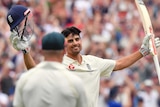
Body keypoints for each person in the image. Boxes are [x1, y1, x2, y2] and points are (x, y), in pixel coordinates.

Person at [6, 5, 160, 107]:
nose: (74, 43)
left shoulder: (92, 61)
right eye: (70, 40)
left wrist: (142, 52)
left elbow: (119, 64)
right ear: (64, 44)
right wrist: (25, 51)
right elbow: (35, 70)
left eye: (77, 39)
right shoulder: (59, 62)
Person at [7, 5, 88, 107]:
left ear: (42, 52)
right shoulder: (75, 82)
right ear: (64, 50)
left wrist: (26, 52)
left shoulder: (25, 80)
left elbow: (34, 73)